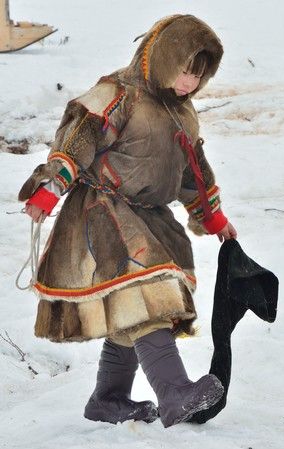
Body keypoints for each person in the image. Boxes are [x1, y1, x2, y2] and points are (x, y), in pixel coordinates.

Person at [19, 14, 237, 428]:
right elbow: (76, 141)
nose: (189, 82)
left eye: (199, 76)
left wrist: (214, 217)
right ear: (163, 57)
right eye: (185, 70)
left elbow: (194, 172)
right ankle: (173, 392)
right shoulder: (118, 94)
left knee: (130, 307)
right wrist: (49, 189)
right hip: (104, 211)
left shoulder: (183, 114)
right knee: (147, 291)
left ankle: (109, 398)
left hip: (151, 217)